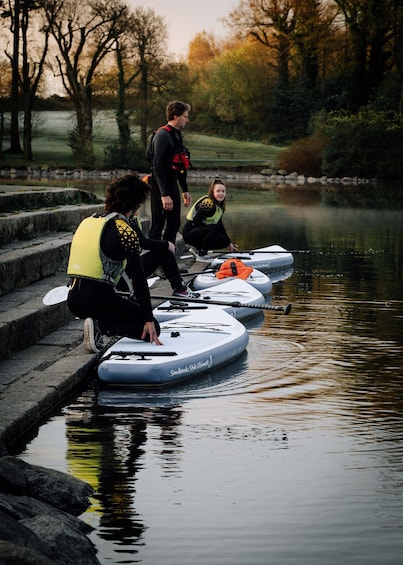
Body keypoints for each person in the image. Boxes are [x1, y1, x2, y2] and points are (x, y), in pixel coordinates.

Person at [66, 174, 164, 354]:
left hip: (73, 299)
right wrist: (148, 319)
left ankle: (99, 322)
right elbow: (139, 279)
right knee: (152, 329)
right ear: (136, 203)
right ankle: (102, 326)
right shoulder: (124, 230)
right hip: (96, 300)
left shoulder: (89, 221)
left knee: (122, 305)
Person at [148, 100, 192, 244]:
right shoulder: (162, 135)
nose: (187, 119)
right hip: (159, 183)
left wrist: (184, 190)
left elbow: (180, 164)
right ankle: (153, 261)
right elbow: (157, 166)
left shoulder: (177, 135)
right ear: (175, 116)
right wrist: (164, 194)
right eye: (185, 116)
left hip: (171, 181)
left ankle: (167, 260)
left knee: (174, 223)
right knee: (158, 223)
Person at [182, 178, 238, 258]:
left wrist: (229, 243)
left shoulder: (219, 206)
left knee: (224, 240)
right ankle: (202, 252)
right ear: (213, 192)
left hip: (201, 231)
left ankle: (201, 248)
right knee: (214, 228)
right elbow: (196, 221)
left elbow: (220, 224)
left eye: (223, 191)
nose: (221, 193)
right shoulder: (208, 203)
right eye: (218, 191)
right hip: (190, 232)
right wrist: (207, 231)